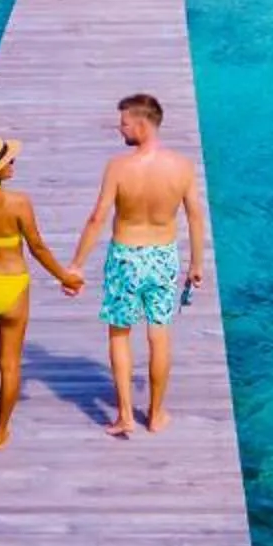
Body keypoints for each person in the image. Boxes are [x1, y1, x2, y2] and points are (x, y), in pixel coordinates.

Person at [70, 93, 209, 437]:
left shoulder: (119, 167)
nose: (121, 130)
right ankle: (157, 414)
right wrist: (197, 262)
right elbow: (194, 216)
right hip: (163, 257)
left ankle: (125, 416)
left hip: (126, 257)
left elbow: (97, 217)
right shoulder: (182, 166)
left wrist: (76, 264)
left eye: (125, 124)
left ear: (142, 124)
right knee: (159, 335)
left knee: (120, 334)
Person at [0, 134, 83, 464]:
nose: (13, 163)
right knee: (9, 365)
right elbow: (37, 248)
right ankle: (1, 431)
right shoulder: (19, 202)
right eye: (8, 160)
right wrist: (65, 277)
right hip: (12, 286)